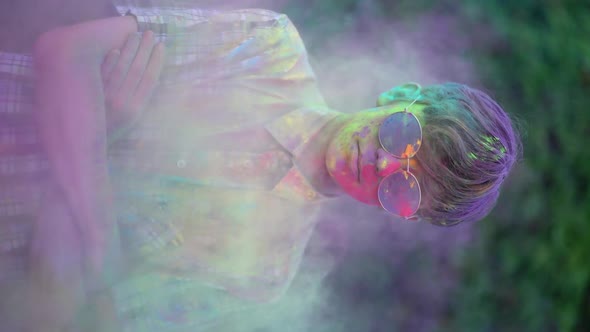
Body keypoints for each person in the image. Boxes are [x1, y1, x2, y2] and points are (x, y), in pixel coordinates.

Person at [0, 1, 521, 331]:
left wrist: (101, 126)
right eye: (402, 134)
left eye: (403, 189)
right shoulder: (265, 44)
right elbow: (64, 51)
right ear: (404, 94)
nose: (383, 163)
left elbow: (79, 314)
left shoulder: (263, 274)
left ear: (403, 215)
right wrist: (97, 234)